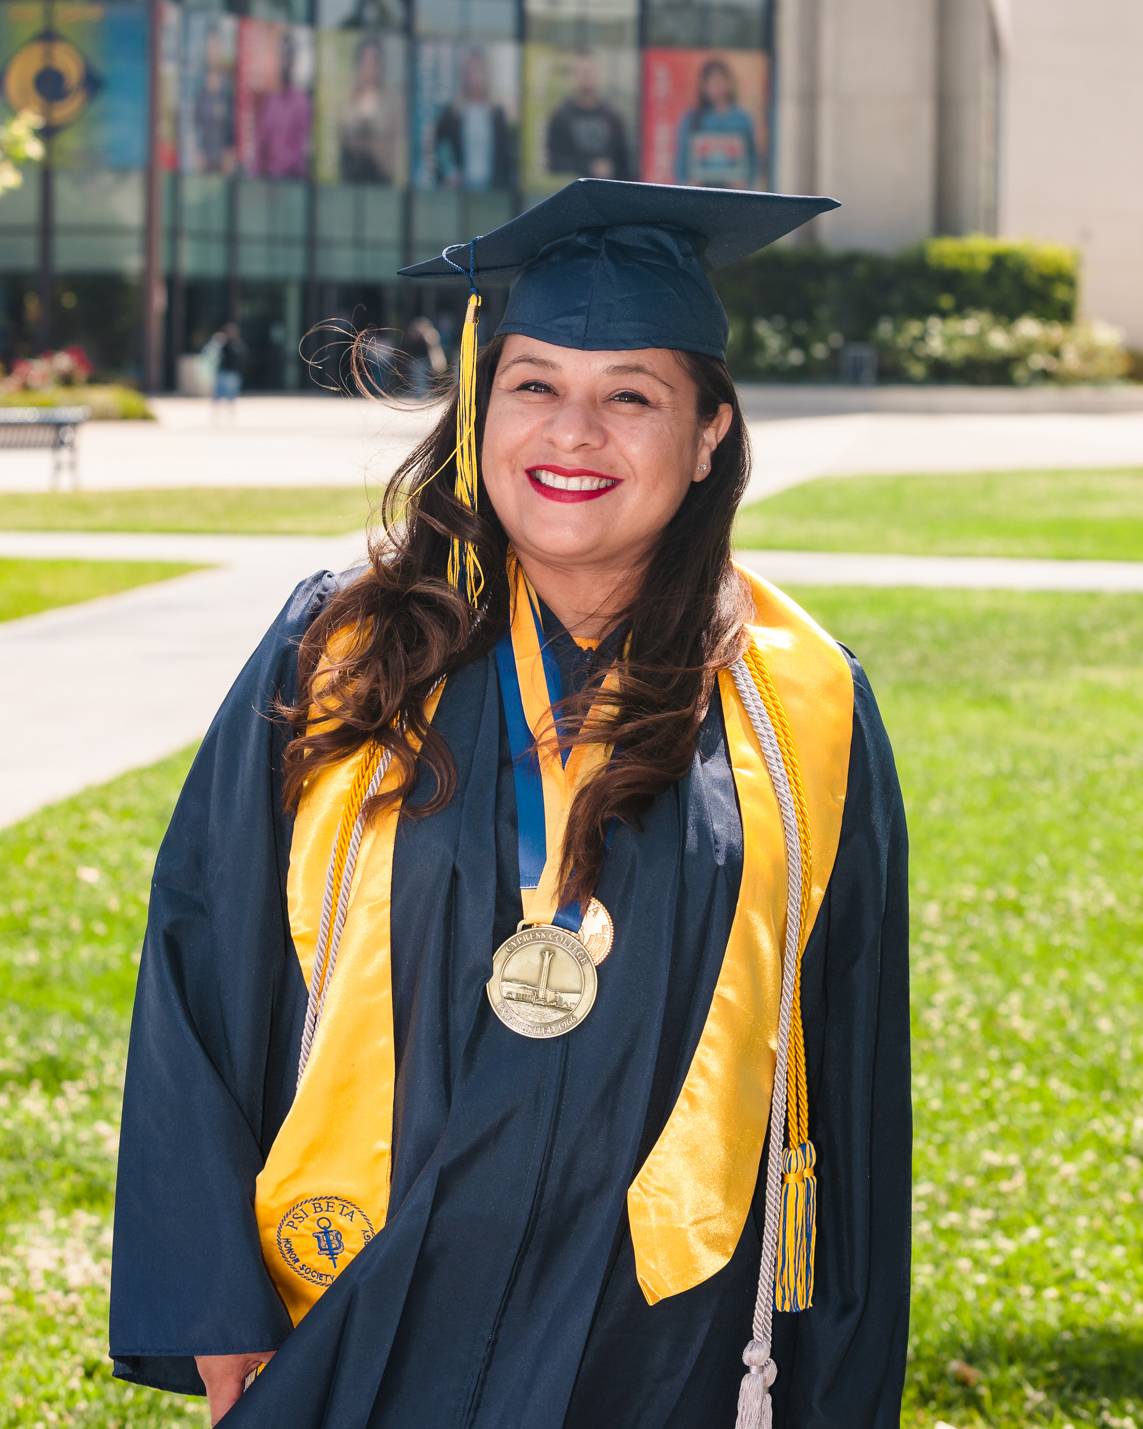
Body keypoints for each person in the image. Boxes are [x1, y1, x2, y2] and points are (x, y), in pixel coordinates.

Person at [109, 179, 911, 1429]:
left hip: (658, 1342)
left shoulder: (803, 707)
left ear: (709, 434)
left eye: (630, 395)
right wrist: (217, 1305)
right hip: (361, 1306)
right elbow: (202, 966)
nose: (572, 433)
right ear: (484, 408)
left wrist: (835, 1379)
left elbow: (848, 1076)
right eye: (534, 383)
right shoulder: (340, 656)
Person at [434, 45, 513, 190]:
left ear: (486, 73)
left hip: (493, 194)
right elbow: (439, 150)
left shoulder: (497, 114)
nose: (474, 77)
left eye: (478, 71)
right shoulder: (452, 114)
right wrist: (449, 174)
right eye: (470, 71)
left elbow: (506, 159)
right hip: (460, 193)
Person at [546, 51, 631, 180]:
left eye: (589, 72)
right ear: (573, 76)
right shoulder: (561, 117)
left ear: (597, 75)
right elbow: (554, 162)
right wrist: (587, 167)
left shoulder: (612, 117)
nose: (586, 77)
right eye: (581, 72)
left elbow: (624, 160)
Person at [675, 58, 757, 189]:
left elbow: (753, 159)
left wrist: (746, 185)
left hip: (734, 196)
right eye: (712, 81)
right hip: (701, 195)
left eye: (720, 80)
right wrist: (688, 185)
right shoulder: (692, 118)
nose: (717, 86)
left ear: (729, 83)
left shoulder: (742, 119)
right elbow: (681, 160)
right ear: (704, 85)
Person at [338, 36, 398, 184]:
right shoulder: (348, 101)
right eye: (365, 61)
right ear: (358, 64)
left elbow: (390, 152)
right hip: (350, 182)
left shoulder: (391, 102)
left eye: (373, 61)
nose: (369, 67)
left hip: (380, 181)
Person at [254, 30, 311, 180]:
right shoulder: (270, 102)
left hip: (291, 182)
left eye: (287, 55)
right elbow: (260, 143)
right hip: (268, 183)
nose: (283, 60)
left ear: (293, 60)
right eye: (281, 55)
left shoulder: (301, 103)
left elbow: (300, 150)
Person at [193, 24, 235, 175]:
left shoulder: (227, 90)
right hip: (203, 162)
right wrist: (197, 153)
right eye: (210, 47)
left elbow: (232, 125)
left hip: (223, 163)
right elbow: (193, 123)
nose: (213, 52)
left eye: (216, 47)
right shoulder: (199, 89)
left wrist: (230, 153)